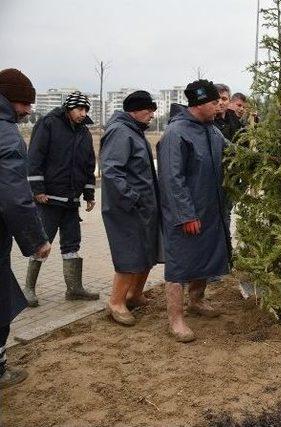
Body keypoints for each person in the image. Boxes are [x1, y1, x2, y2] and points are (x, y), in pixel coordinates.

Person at [157, 80, 231, 342]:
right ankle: (175, 320)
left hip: (211, 210)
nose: (219, 107)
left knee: (204, 258)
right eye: (215, 103)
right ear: (200, 104)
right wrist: (185, 215)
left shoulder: (212, 132)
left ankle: (197, 301)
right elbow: (171, 179)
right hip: (186, 213)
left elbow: (232, 156)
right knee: (179, 264)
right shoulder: (177, 133)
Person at [0, 68, 51, 388]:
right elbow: (15, 197)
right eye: (25, 103)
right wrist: (36, 241)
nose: (29, 111)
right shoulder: (6, 134)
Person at [24, 91, 99, 306]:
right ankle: (28, 289)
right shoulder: (49, 124)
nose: (83, 113)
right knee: (42, 242)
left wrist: (89, 193)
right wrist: (37, 190)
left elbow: (87, 165)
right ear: (69, 108)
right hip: (48, 199)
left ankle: (74, 289)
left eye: (86, 109)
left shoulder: (84, 132)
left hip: (71, 201)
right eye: (80, 109)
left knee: (72, 244)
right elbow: (35, 158)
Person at [100, 90, 161, 326]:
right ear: (134, 110)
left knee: (145, 252)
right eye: (148, 110)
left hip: (142, 206)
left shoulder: (134, 131)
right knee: (129, 254)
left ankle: (134, 295)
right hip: (126, 208)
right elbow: (112, 171)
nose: (152, 115)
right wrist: (133, 197)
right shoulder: (120, 132)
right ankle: (116, 302)